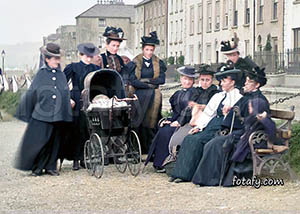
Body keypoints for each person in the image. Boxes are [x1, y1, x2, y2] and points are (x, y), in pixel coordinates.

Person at [192, 66, 269, 186]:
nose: (245, 83)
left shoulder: (259, 99)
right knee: (212, 142)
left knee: (216, 143)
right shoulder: (247, 97)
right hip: (240, 131)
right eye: (246, 81)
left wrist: (240, 118)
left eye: (249, 82)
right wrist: (231, 111)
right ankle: (209, 178)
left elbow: (256, 122)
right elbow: (238, 112)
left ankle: (213, 179)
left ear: (257, 85)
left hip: (251, 135)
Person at [169, 65, 243, 183]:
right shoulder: (218, 95)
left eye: (224, 81)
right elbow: (208, 113)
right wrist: (199, 126)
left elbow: (237, 116)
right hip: (212, 124)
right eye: (221, 81)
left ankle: (187, 174)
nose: (221, 83)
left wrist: (227, 112)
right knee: (190, 138)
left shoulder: (237, 97)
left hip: (223, 126)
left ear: (232, 82)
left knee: (197, 141)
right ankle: (181, 173)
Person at [14, 43, 73, 176]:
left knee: (54, 142)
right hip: (42, 115)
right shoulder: (41, 74)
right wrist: (26, 111)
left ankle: (51, 166)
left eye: (58, 59)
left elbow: (64, 92)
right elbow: (32, 93)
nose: (57, 61)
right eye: (54, 59)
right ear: (47, 59)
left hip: (57, 115)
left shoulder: (61, 75)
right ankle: (38, 167)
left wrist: (66, 105)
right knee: (40, 141)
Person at [144, 66, 198, 171]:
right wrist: (170, 119)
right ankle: (158, 161)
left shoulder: (195, 93)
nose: (187, 82)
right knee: (163, 128)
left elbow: (188, 110)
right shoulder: (178, 93)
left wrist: (179, 122)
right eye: (185, 79)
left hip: (188, 120)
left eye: (189, 80)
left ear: (193, 81)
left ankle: (166, 162)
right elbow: (175, 110)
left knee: (168, 131)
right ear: (181, 79)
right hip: (177, 119)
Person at [61, 43, 100, 170]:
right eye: (86, 56)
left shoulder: (95, 68)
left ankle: (84, 158)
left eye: (90, 56)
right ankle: (75, 160)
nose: (88, 59)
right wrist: (68, 98)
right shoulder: (72, 67)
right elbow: (62, 83)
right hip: (77, 100)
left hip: (91, 99)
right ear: (80, 55)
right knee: (76, 129)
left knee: (88, 129)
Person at [127, 31, 167, 154]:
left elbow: (161, 80)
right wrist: (149, 84)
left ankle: (151, 149)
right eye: (147, 50)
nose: (149, 52)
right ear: (143, 49)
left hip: (154, 96)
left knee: (152, 122)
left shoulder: (158, 62)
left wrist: (146, 81)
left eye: (151, 50)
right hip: (139, 96)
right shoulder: (135, 62)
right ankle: (136, 149)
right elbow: (133, 81)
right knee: (138, 121)